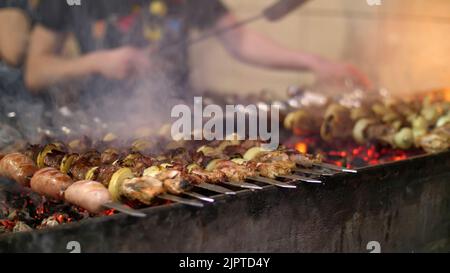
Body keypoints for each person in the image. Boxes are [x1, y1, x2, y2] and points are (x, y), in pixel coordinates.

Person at [25, 0, 370, 122]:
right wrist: (95, 62)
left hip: (179, 122)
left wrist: (315, 63)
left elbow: (241, 38)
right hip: (102, 128)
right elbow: (35, 71)